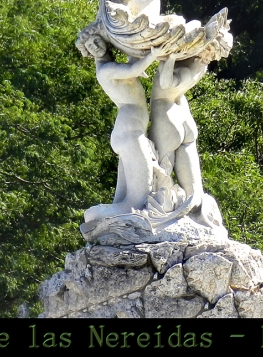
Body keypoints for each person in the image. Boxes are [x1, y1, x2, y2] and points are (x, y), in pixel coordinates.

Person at [76, 24, 164, 223]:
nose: (95, 46)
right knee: (138, 200)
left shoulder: (110, 66)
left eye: (97, 41)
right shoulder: (105, 70)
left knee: (126, 199)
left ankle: (101, 218)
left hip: (129, 132)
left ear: (105, 42)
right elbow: (134, 68)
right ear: (87, 52)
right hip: (130, 132)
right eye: (90, 46)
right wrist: (154, 54)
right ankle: (96, 216)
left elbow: (132, 68)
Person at [149, 54, 209, 205]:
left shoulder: (182, 68)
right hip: (183, 115)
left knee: (160, 185)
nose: (205, 59)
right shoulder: (199, 70)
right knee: (194, 194)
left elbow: (165, 83)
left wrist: (169, 58)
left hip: (165, 114)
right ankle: (196, 211)